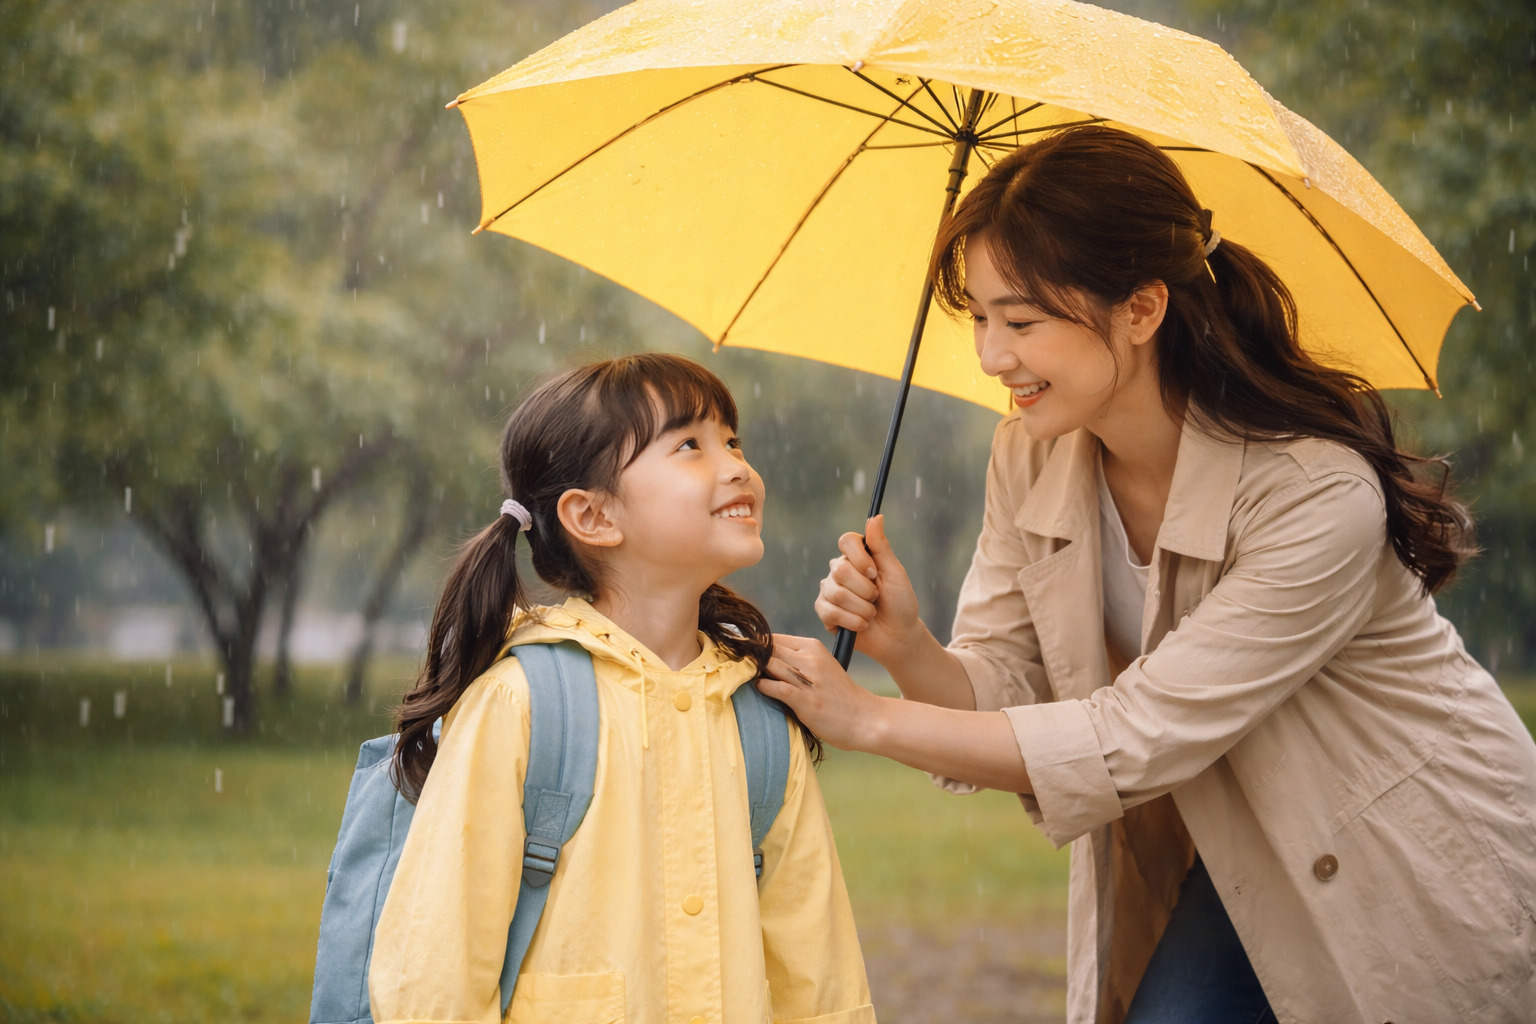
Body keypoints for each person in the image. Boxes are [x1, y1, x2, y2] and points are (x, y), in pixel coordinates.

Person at [759, 126, 1536, 1024]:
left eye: (1021, 321)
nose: (990, 356)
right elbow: (1007, 686)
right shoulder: (1030, 457)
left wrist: (867, 720)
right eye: (978, 318)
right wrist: (907, 646)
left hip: (1408, 858)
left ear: (1141, 309)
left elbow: (1133, 735)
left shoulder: (1317, 493)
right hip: (1226, 849)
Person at [369, 353, 874, 1024]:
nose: (735, 465)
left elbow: (820, 983)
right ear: (594, 517)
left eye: (733, 440)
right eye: (690, 445)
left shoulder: (761, 718)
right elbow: (433, 981)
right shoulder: (525, 703)